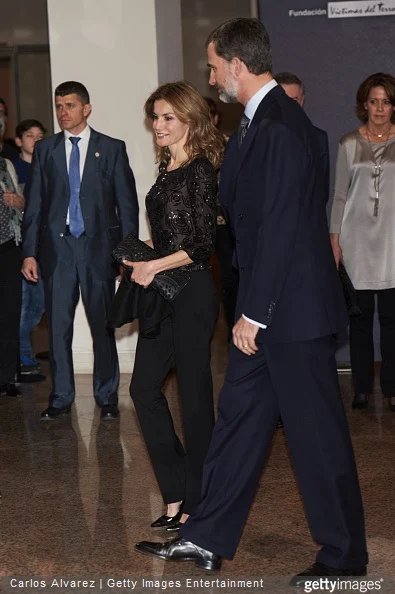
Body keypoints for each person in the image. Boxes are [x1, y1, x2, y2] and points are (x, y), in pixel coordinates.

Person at [135, 18, 368, 585]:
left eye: (214, 66)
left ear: (237, 65)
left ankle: (344, 557)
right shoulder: (256, 123)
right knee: (238, 424)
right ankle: (207, 536)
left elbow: (283, 226)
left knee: (317, 439)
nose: (211, 75)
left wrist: (255, 312)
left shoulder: (281, 125)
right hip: (265, 311)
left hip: (289, 314)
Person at [126, 81, 223, 531]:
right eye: (155, 117)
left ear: (188, 119)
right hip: (163, 290)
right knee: (143, 388)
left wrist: (155, 264)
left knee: (194, 397)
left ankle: (199, 500)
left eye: (167, 117)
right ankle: (177, 489)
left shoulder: (200, 169)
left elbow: (203, 245)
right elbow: (176, 234)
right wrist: (148, 250)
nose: (158, 125)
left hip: (193, 294)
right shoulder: (167, 168)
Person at [22, 81, 139, 421]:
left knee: (102, 324)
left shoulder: (112, 148)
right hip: (57, 252)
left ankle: (107, 397)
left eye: (70, 105)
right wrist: (30, 252)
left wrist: (127, 255)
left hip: (98, 250)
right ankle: (60, 398)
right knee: (58, 328)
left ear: (86, 109)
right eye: (59, 106)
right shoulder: (46, 149)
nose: (63, 112)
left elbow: (126, 207)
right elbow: (36, 205)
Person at [330, 73, 395, 413]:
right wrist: (335, 241)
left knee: (392, 320)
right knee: (359, 320)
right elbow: (340, 196)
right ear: (364, 105)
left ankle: (393, 387)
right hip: (355, 242)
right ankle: (361, 389)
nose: (380, 108)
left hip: (392, 243)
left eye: (386, 101)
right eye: (374, 101)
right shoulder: (348, 144)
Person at [14, 119, 47, 381]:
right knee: (25, 305)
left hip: (46, 246)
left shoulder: (47, 165)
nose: (34, 140)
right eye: (29, 135)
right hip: (21, 248)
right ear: (18, 141)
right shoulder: (11, 169)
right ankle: (23, 357)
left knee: (39, 307)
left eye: (39, 135)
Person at [204, 96, 238, 340]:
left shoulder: (230, 144)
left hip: (226, 225)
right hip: (199, 226)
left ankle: (232, 332)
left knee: (230, 279)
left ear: (215, 118)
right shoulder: (185, 148)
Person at [275, 72, 330, 205]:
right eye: (282, 100)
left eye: (293, 101)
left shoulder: (318, 139)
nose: (287, 106)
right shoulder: (256, 136)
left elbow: (321, 193)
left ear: (302, 101)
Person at [0, 112, 24, 397]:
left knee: (8, 315)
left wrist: (20, 202)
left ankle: (6, 377)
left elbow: (21, 206)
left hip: (8, 249)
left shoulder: (7, 165)